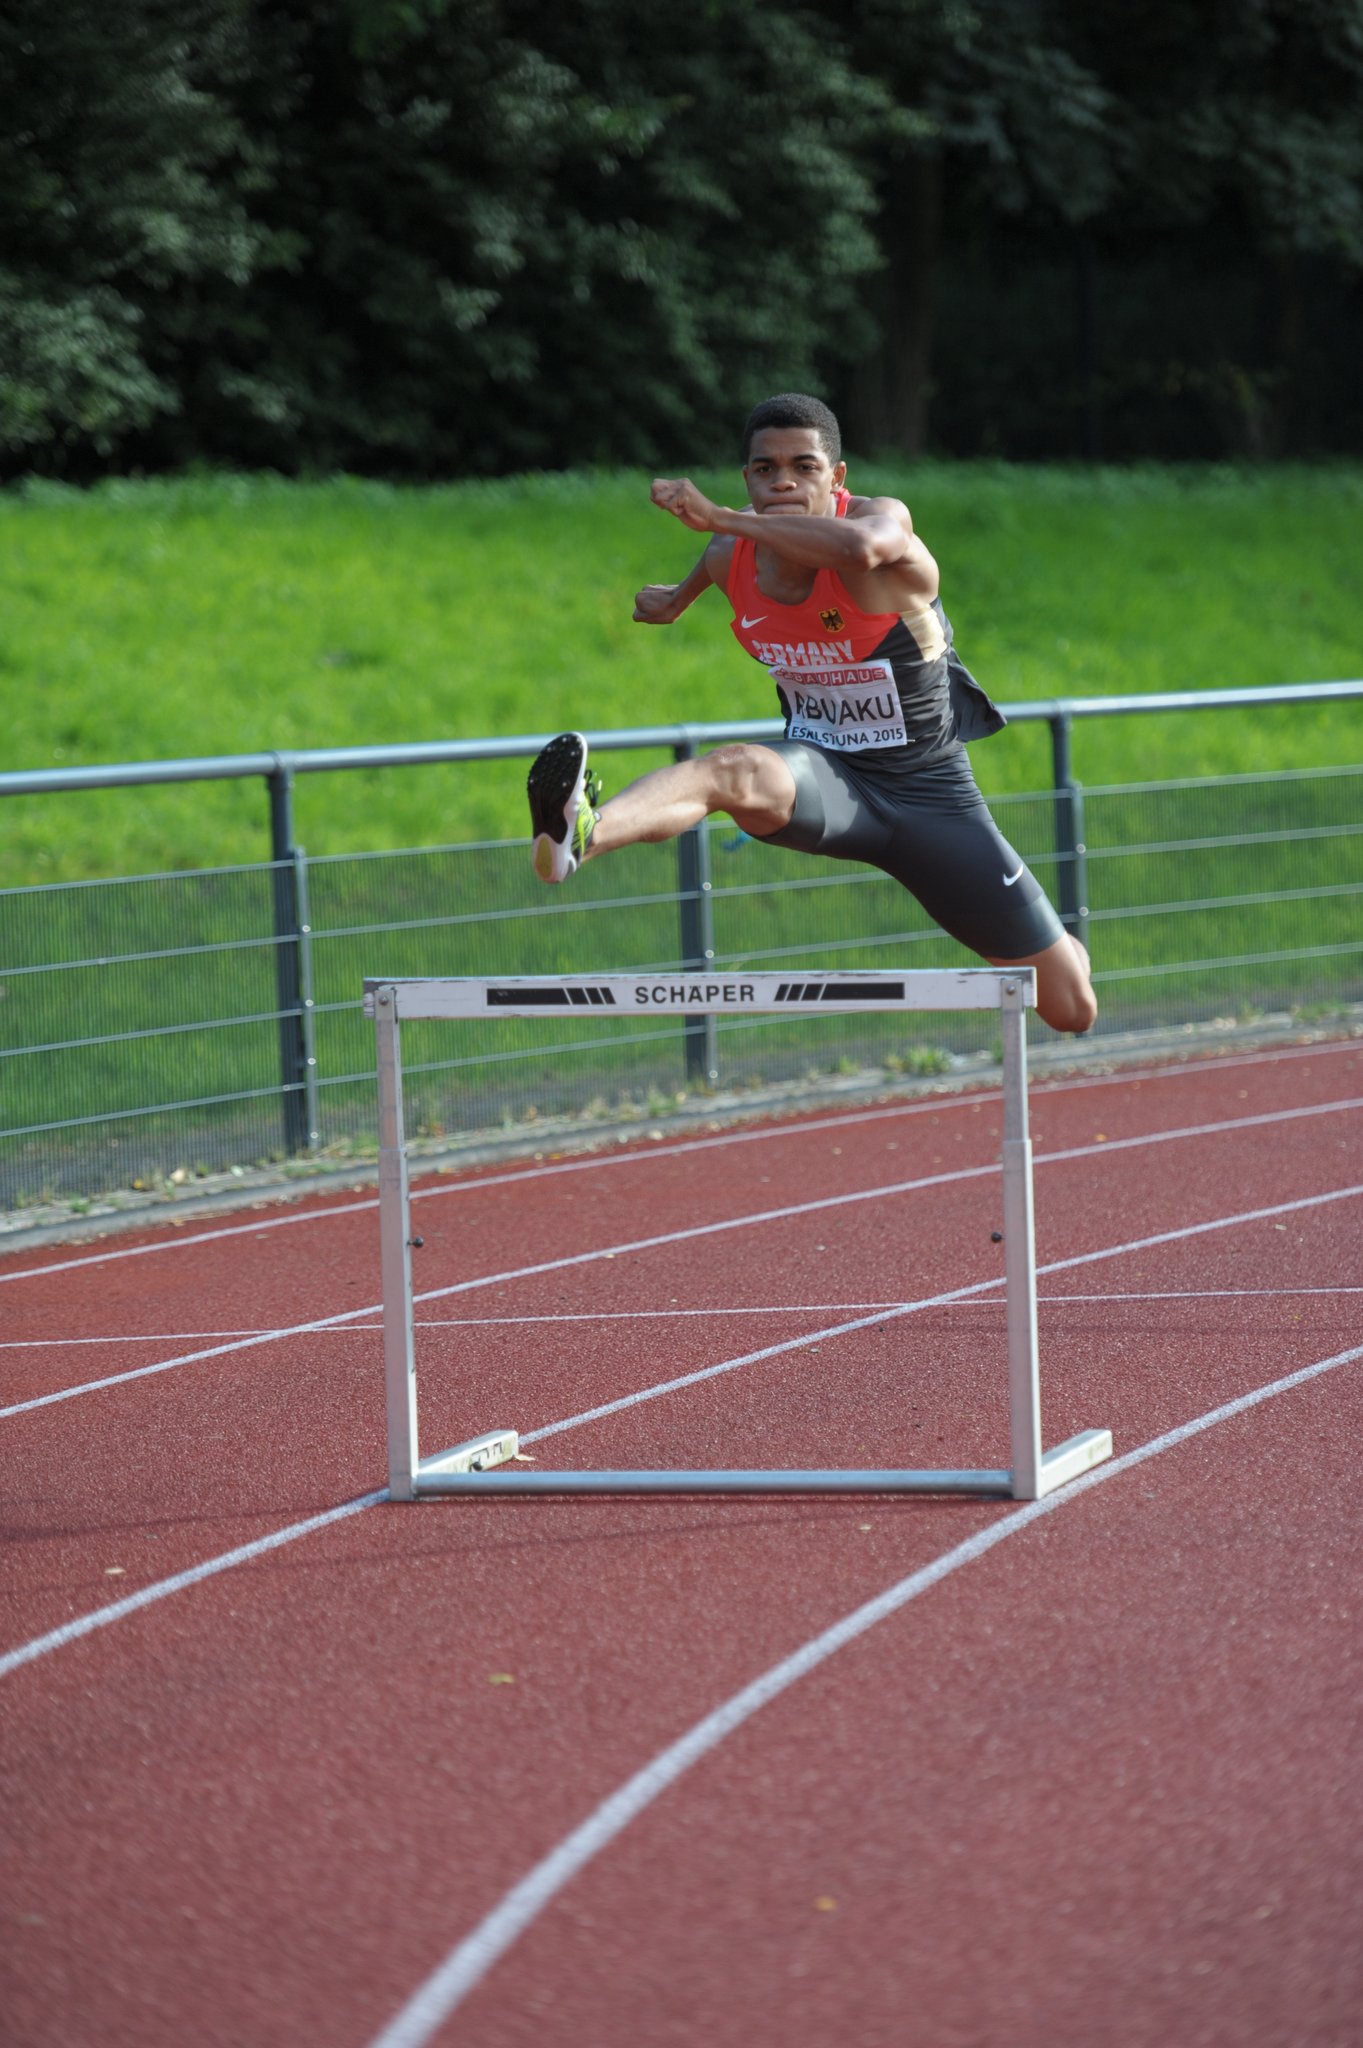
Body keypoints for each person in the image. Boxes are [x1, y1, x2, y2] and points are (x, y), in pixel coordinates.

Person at [526, 392, 1096, 1034]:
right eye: (765, 470)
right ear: (748, 479)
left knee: (1071, 1009)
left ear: (839, 478)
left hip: (932, 800)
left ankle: (1062, 952)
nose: (784, 482)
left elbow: (863, 549)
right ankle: (582, 834)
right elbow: (714, 568)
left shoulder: (880, 525)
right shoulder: (727, 554)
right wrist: (675, 600)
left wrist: (724, 518)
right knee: (732, 770)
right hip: (827, 780)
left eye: (804, 466)